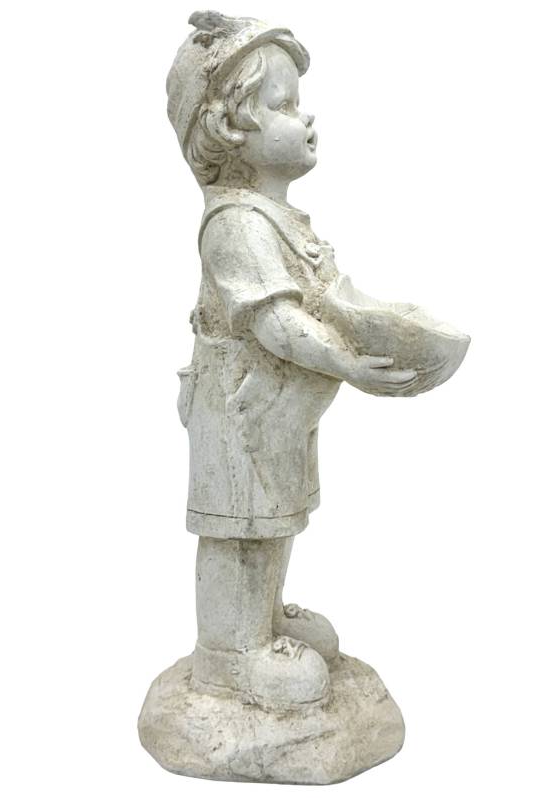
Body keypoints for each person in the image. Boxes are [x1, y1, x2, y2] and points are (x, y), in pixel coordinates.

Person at [166, 11, 418, 709]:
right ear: (229, 128)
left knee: (272, 522)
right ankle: (228, 652)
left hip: (275, 412)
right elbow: (276, 323)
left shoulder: (275, 218)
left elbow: (321, 299)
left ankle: (263, 621)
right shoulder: (236, 225)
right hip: (239, 409)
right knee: (236, 530)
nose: (306, 118)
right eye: (283, 105)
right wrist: (350, 363)